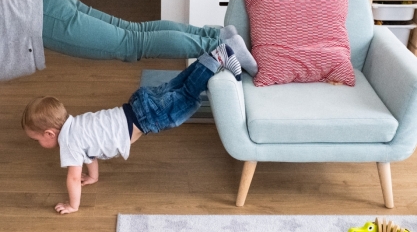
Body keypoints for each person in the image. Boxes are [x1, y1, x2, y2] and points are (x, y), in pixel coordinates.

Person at [0, 0, 257, 186]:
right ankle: (215, 35)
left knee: (133, 43)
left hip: (38, 18)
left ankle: (219, 46)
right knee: (135, 33)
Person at [21, 43, 249, 214]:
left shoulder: (68, 143)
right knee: (176, 85)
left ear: (50, 133)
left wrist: (73, 205)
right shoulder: (76, 125)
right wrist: (93, 177)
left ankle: (218, 56)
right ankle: (206, 60)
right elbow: (90, 154)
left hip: (146, 117)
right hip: (137, 104)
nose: (38, 144)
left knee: (186, 96)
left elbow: (72, 178)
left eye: (36, 139)